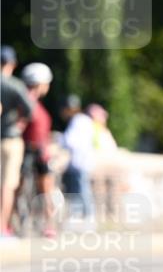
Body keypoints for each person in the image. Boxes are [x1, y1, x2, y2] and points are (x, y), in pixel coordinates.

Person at [20, 63, 57, 236]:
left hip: (39, 152)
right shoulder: (26, 101)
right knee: (19, 187)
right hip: (29, 151)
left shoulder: (30, 101)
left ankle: (48, 224)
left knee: (46, 188)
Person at [1, 46, 34, 236]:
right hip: (9, 138)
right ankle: (2, 228)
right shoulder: (15, 85)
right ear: (11, 64)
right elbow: (30, 110)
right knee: (7, 184)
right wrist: (19, 121)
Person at [61, 95, 96, 221]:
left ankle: (87, 217)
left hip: (79, 162)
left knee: (81, 190)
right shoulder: (84, 120)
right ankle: (82, 216)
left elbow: (70, 141)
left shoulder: (78, 120)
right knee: (79, 190)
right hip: (81, 161)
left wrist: (58, 139)